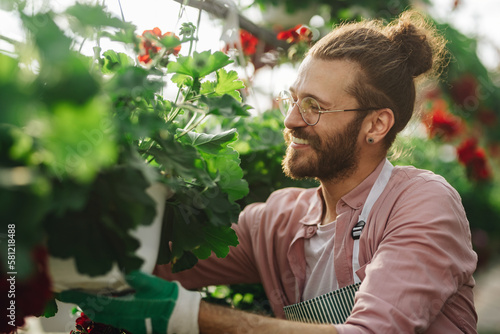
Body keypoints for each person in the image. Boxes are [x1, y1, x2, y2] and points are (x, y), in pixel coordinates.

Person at [59, 9, 478, 334]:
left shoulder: (422, 203)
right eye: (292, 99)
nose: (292, 119)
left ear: (376, 125)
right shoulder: (280, 221)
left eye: (314, 106)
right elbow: (161, 261)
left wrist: (187, 316)